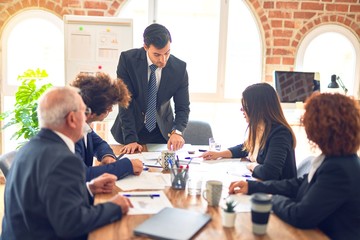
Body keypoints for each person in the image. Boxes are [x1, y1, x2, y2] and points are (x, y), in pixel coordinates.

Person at [1, 86, 133, 240]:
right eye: (85, 112)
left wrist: (89, 189)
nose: (87, 118)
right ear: (71, 119)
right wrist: (115, 207)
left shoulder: (29, 148)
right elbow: (72, 224)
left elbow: (47, 196)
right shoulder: (64, 159)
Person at [229, 93, 360, 240]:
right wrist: (252, 187)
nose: (304, 122)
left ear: (322, 126)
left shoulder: (339, 169)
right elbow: (298, 184)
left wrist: (271, 198)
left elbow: (300, 216)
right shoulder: (336, 157)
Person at [111, 23, 190, 154]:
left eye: (167, 53)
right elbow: (124, 102)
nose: (163, 60)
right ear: (145, 47)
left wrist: (178, 131)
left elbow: (183, 107)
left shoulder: (179, 69)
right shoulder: (128, 60)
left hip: (162, 132)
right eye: (157, 55)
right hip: (131, 130)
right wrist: (130, 139)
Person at [201, 83, 297, 180]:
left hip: (277, 192)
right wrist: (219, 154)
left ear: (258, 108)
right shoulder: (262, 128)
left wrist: (252, 166)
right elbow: (245, 148)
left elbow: (269, 173)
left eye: (245, 106)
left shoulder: (280, 134)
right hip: (265, 186)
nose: (241, 109)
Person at [70, 72, 143, 181]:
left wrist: (107, 156)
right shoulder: (71, 133)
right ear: (93, 112)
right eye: (109, 107)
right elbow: (83, 174)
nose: (111, 110)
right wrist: (127, 166)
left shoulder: (84, 126)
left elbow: (99, 144)